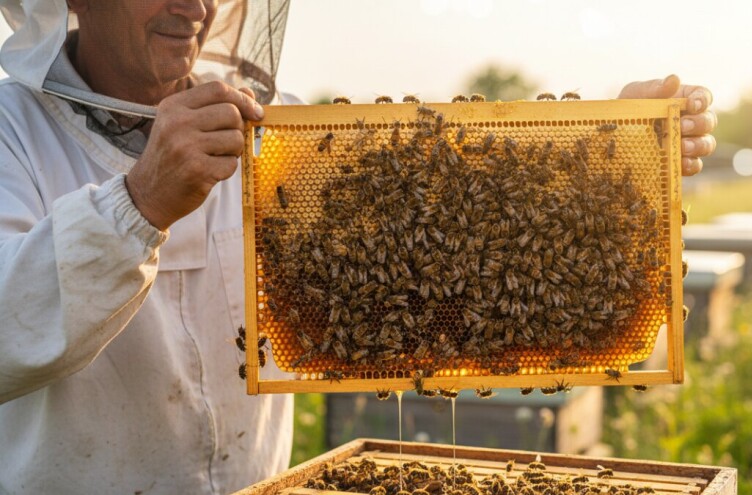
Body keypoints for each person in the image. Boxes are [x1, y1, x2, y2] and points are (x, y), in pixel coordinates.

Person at [0, 1, 716, 493]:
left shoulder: (279, 136)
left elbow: (453, 210)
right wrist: (139, 202)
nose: (195, 3)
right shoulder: (11, 133)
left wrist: (619, 151)